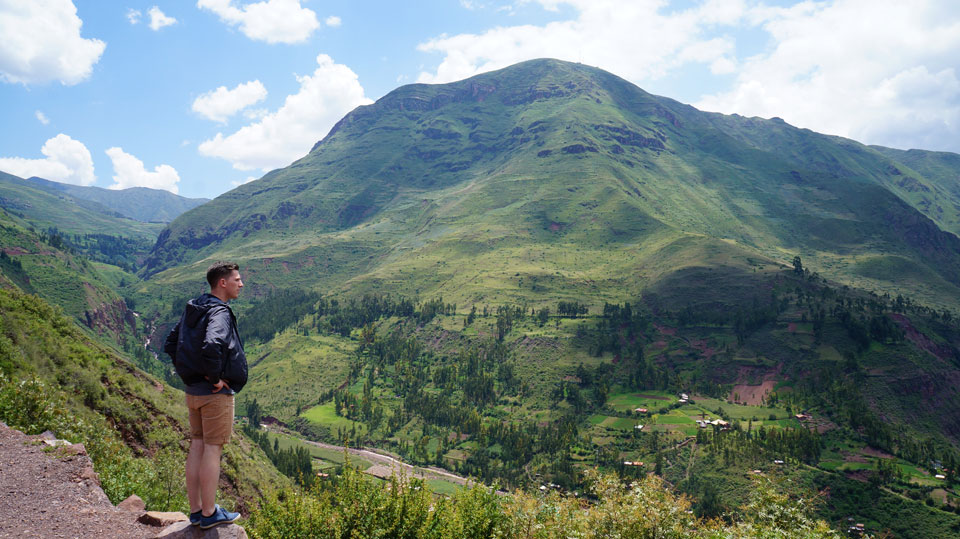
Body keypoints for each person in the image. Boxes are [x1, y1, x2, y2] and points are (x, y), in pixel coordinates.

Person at [164, 262, 248, 529]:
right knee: (213, 449)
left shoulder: (195, 307)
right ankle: (211, 514)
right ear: (222, 283)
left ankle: (197, 511)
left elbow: (170, 343)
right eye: (237, 279)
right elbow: (213, 344)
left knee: (197, 445)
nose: (241, 283)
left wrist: (192, 376)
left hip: (193, 392)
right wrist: (214, 379)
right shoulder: (220, 312)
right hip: (214, 395)